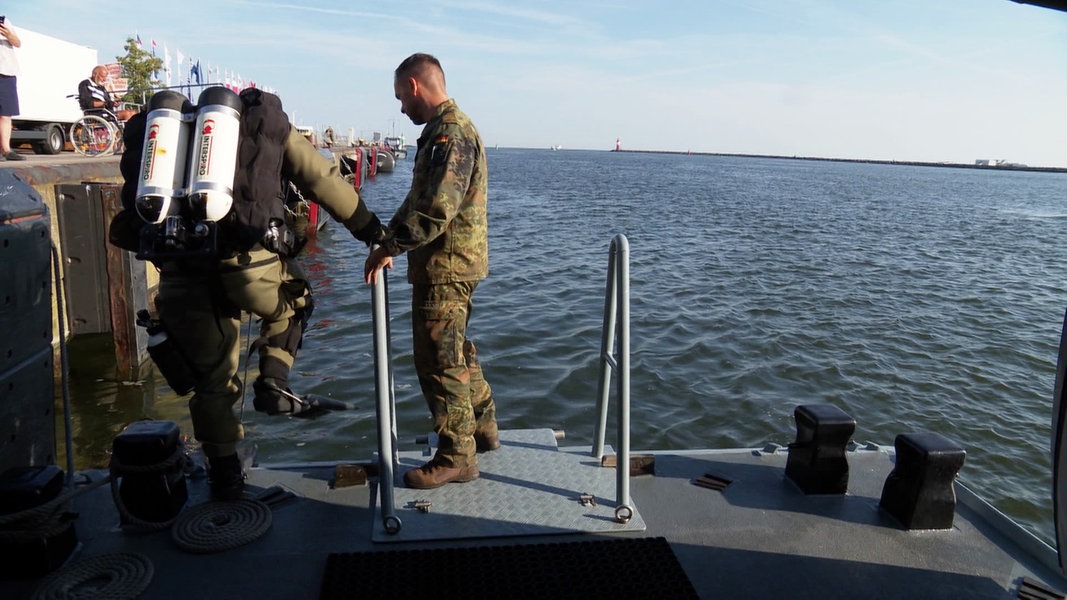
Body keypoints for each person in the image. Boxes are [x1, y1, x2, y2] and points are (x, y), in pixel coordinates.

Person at [109, 88, 386, 500]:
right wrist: (371, 231)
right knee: (295, 301)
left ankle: (225, 479)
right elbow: (320, 179)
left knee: (211, 381)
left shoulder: (165, 133)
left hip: (179, 266)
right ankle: (274, 384)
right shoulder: (261, 127)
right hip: (246, 264)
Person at [364, 52, 498, 490]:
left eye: (401, 97)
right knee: (455, 351)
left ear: (416, 87)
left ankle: (457, 456)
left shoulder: (451, 133)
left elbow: (437, 207)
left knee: (438, 361)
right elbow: (418, 199)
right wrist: (387, 239)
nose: (402, 108)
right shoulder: (442, 132)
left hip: (445, 266)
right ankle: (482, 426)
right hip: (453, 263)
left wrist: (392, 245)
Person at [0, 17, 23, 161]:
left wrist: (8, 35)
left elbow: (18, 43)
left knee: (5, 114)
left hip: (6, 73)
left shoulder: (3, 20)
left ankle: (6, 150)